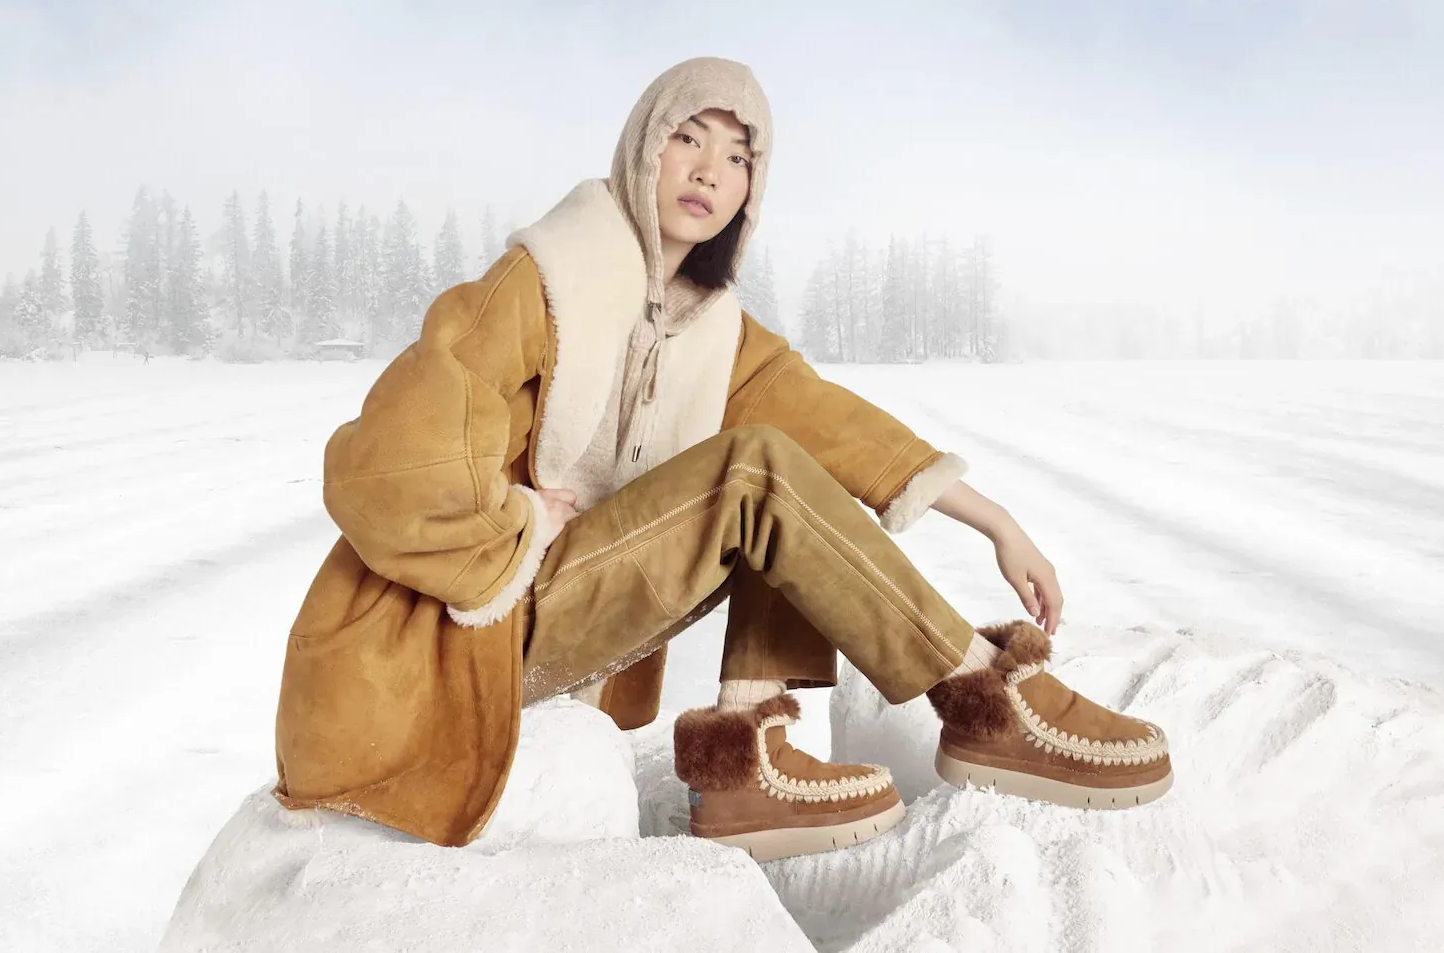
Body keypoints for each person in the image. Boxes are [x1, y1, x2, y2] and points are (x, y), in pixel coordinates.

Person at [271, 57, 1171, 863]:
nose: (709, 170)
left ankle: (746, 755)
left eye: (739, 156)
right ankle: (980, 696)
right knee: (757, 471)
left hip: (552, 626)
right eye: (685, 138)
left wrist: (999, 524)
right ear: (640, 152)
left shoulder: (713, 332)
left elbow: (846, 430)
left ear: (752, 188)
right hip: (453, 631)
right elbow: (380, 462)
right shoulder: (542, 279)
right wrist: (519, 522)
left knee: (792, 477)